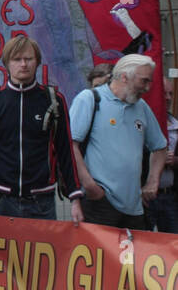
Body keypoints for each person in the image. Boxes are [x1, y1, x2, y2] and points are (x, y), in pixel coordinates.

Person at [0, 38, 82, 220]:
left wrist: (75, 198)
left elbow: (66, 152)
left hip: (41, 201)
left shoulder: (55, 100)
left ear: (38, 62)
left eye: (29, 59)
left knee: (43, 249)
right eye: (17, 59)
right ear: (7, 63)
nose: (23, 64)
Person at [70, 54, 167, 228]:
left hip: (134, 207)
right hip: (99, 203)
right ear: (124, 77)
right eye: (144, 81)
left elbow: (160, 147)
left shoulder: (141, 107)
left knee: (131, 256)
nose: (147, 87)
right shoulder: (90, 99)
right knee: (100, 255)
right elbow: (71, 145)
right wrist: (89, 184)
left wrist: (153, 182)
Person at [147, 76, 177, 234]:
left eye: (171, 94)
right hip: (146, 197)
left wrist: (175, 161)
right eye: (164, 93)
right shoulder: (142, 122)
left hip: (169, 196)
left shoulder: (176, 126)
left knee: (173, 245)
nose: (168, 98)